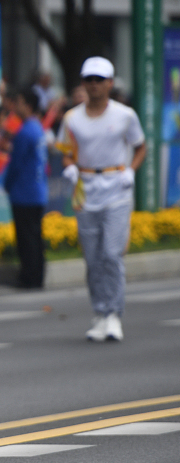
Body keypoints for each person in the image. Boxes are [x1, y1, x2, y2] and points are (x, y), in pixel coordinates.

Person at [56, 57, 146, 342]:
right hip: (86, 189)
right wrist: (69, 166)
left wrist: (131, 170)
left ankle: (114, 314)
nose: (94, 85)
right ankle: (100, 312)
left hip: (116, 186)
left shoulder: (125, 115)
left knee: (111, 254)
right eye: (89, 80)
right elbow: (65, 150)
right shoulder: (72, 118)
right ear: (83, 83)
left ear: (109, 83)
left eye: (99, 80)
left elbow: (140, 146)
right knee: (93, 258)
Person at [3, 90, 48, 289]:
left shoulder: (24, 132)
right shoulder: (37, 129)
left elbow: (16, 164)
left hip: (24, 193)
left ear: (28, 105)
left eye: (19, 102)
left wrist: (7, 184)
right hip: (37, 191)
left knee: (26, 238)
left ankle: (29, 277)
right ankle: (37, 275)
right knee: (35, 237)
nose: (16, 107)